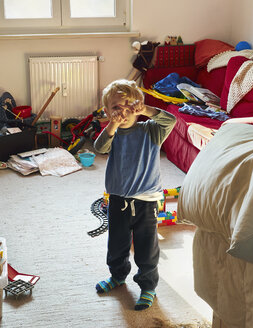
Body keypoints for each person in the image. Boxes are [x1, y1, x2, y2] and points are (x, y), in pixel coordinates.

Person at [93, 79, 176, 311]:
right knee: (117, 245)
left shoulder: (151, 130)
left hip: (146, 202)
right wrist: (111, 126)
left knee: (146, 248)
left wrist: (147, 110)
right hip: (118, 200)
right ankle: (118, 276)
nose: (123, 112)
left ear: (137, 107)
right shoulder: (113, 133)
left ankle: (148, 287)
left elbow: (171, 120)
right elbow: (99, 148)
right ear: (107, 112)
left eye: (129, 106)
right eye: (116, 108)